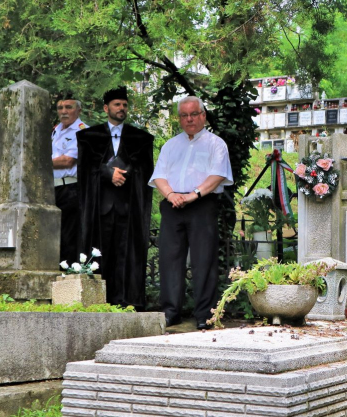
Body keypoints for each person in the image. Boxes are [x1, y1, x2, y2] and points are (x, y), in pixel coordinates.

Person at [149, 96, 233, 329]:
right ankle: (170, 312)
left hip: (202, 205)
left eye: (194, 114)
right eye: (184, 115)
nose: (189, 119)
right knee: (169, 260)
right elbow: (159, 176)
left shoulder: (216, 144)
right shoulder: (170, 145)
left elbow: (217, 174)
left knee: (203, 260)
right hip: (173, 205)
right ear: (179, 119)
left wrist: (194, 194)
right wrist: (170, 195)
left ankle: (205, 315)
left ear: (203, 115)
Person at [77, 87, 154, 309]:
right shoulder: (89, 137)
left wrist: (124, 173)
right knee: (101, 253)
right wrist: (107, 173)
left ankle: (127, 301)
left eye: (124, 104)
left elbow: (145, 171)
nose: (121, 108)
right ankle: (98, 300)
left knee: (126, 255)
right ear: (106, 108)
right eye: (117, 104)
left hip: (128, 208)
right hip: (100, 208)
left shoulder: (140, 138)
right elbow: (85, 169)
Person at [51, 94, 86, 265]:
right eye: (60, 108)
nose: (64, 111)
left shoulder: (82, 131)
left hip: (70, 188)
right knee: (52, 234)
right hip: (52, 189)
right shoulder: (56, 130)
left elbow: (67, 161)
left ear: (78, 110)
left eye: (69, 107)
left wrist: (38, 163)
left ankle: (68, 275)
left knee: (68, 236)